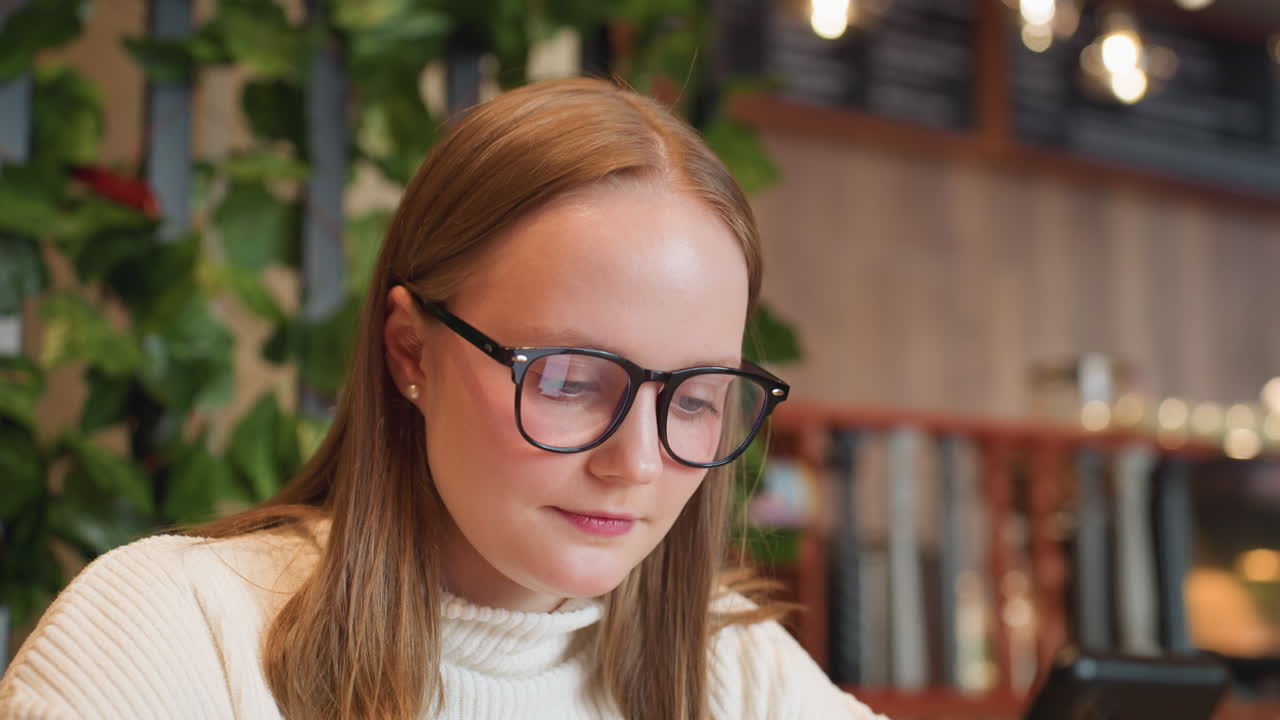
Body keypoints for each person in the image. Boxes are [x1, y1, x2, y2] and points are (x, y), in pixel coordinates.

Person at [0, 77, 886, 720]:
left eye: (695, 397)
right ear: (408, 352)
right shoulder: (177, 635)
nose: (637, 465)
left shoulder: (731, 670)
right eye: (572, 380)